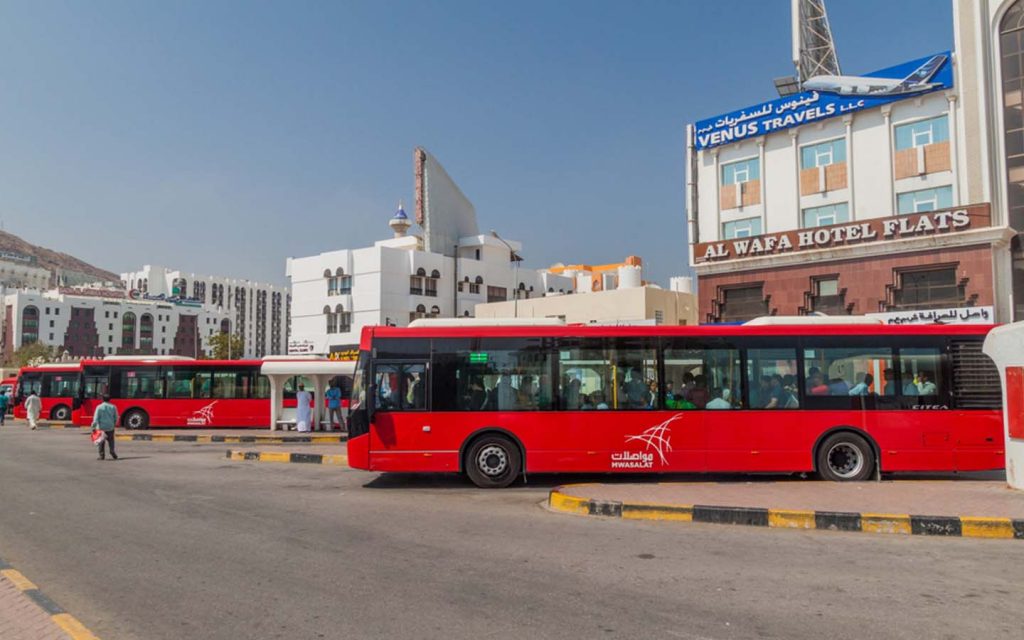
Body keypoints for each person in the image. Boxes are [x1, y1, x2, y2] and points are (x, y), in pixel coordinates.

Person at [91, 394, 119, 460]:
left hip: (101, 427)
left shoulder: (99, 407)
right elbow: (116, 417)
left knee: (101, 442)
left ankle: (102, 455)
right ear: (109, 399)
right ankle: (112, 451)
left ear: (102, 399)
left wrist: (93, 427)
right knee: (111, 441)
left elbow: (96, 418)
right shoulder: (113, 407)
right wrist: (114, 424)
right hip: (110, 427)